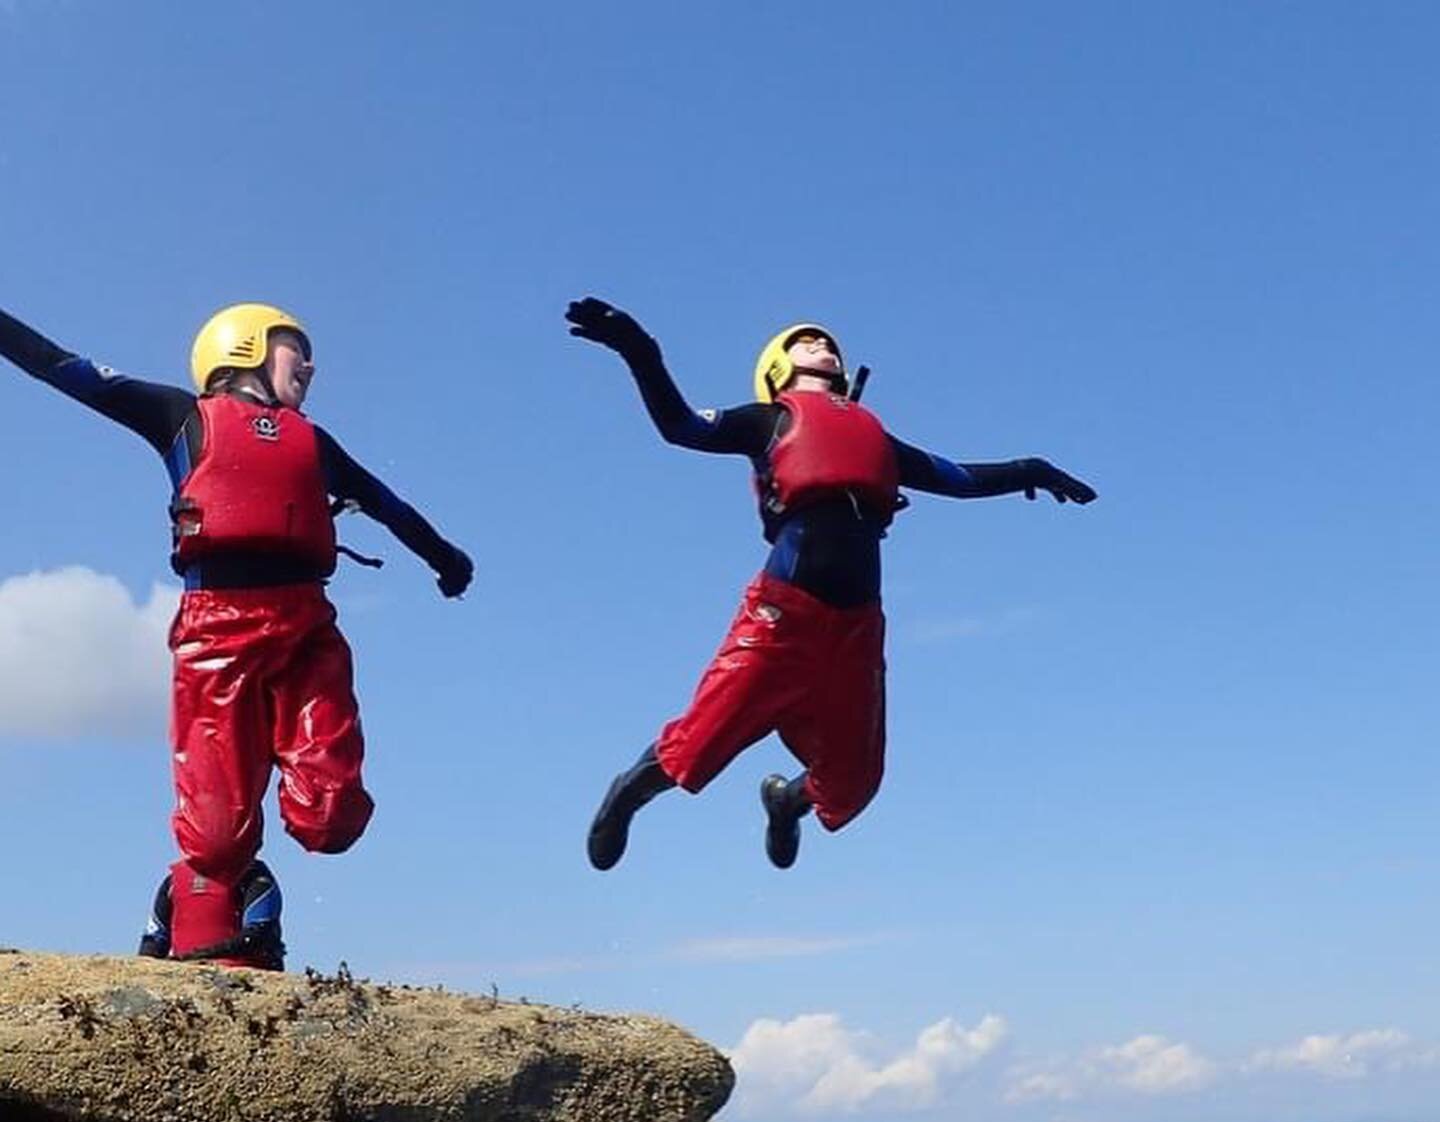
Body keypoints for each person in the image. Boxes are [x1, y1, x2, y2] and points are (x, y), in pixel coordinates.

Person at [0, 300, 473, 967]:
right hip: (216, 635)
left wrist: (445, 557)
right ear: (244, 346)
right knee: (216, 840)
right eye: (292, 347)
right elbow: (60, 367)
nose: (309, 364)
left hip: (307, 629)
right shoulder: (181, 418)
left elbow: (389, 505)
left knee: (331, 816)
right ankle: (189, 907)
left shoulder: (315, 444)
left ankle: (244, 880)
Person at [566, 299, 1096, 871]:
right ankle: (627, 794)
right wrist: (639, 350)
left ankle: (784, 802)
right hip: (783, 616)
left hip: (857, 629)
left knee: (855, 783)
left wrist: (1031, 469)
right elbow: (682, 426)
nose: (824, 345)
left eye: (828, 343)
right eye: (806, 341)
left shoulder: (878, 440)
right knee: (700, 741)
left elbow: (962, 478)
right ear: (777, 368)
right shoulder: (769, 420)